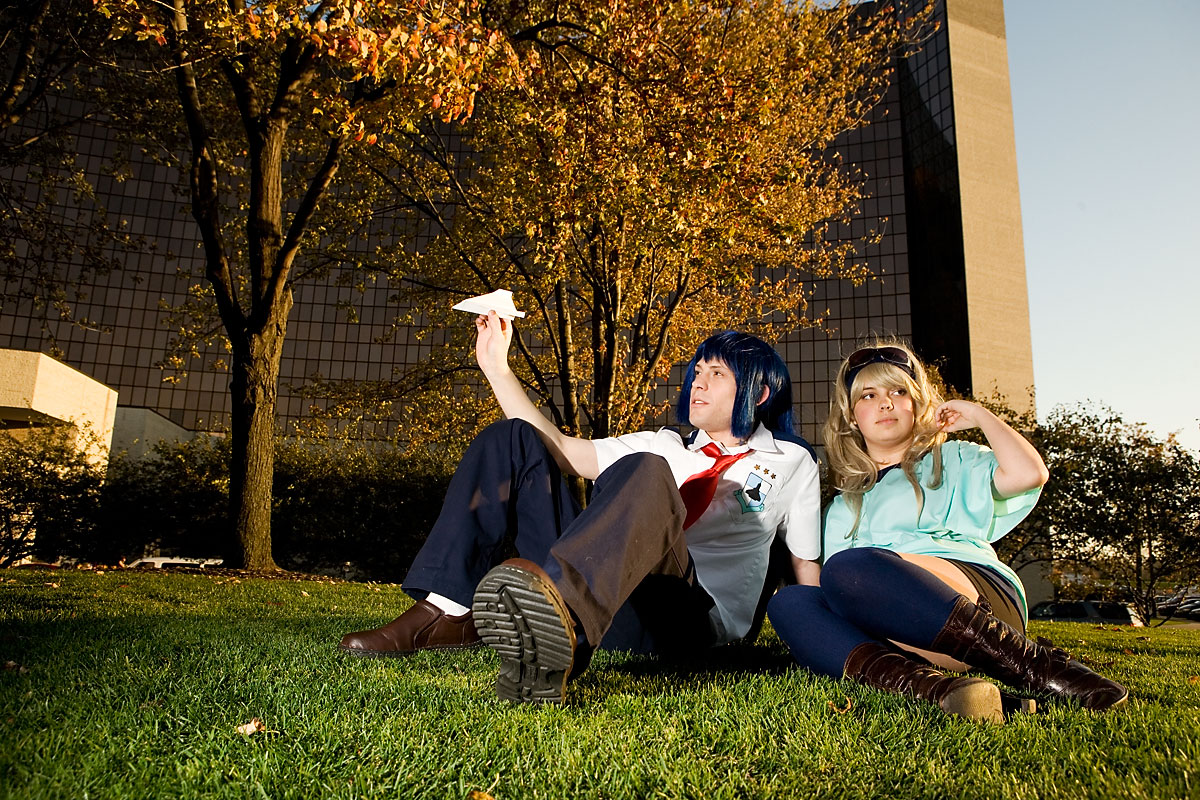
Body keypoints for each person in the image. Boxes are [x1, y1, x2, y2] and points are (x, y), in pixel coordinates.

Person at [339, 311, 822, 705]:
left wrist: (820, 639)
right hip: (613, 607)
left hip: (688, 619)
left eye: (717, 373)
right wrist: (496, 369)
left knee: (649, 471)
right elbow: (565, 452)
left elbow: (804, 565)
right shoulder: (664, 444)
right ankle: (447, 611)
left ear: (759, 392)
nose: (698, 382)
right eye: (697, 370)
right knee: (513, 439)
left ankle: (560, 631)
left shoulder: (793, 461)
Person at [767, 342, 1128, 723]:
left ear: (917, 404)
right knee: (791, 602)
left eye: (898, 391)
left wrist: (981, 416)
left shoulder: (952, 458)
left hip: (977, 604)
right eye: (868, 395)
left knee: (849, 568)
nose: (885, 403)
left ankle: (1041, 669)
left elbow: (1029, 474)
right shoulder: (841, 508)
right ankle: (942, 691)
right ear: (852, 416)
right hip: (905, 636)